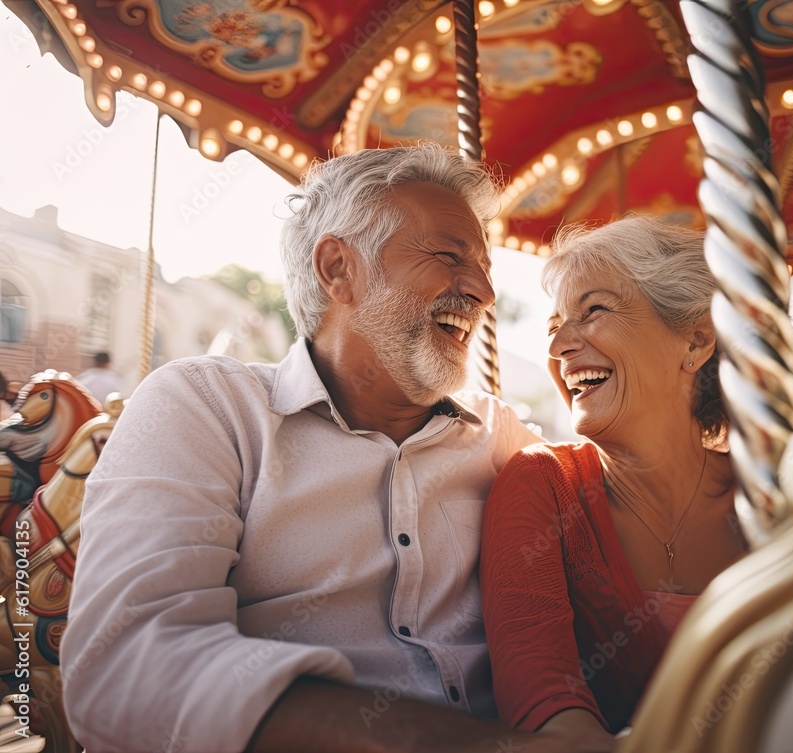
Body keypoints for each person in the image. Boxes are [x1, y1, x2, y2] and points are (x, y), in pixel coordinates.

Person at [62, 145, 611, 753]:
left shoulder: (500, 436)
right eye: (450, 256)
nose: (482, 290)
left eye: (483, 267)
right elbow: (130, 665)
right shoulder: (211, 407)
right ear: (337, 268)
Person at [480, 217, 793, 739]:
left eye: (593, 311)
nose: (559, 347)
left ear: (696, 340)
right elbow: (543, 697)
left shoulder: (778, 496)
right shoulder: (543, 485)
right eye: (553, 328)